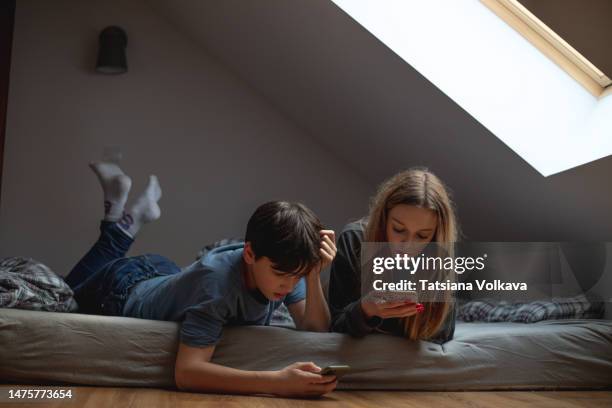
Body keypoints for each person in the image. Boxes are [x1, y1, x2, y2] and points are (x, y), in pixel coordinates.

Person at [64, 160, 338, 397]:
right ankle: (122, 222)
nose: (289, 286)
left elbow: (315, 329)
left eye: (297, 276)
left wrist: (313, 273)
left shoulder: (287, 265)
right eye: (282, 275)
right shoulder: (217, 287)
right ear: (250, 253)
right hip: (121, 288)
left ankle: (125, 218)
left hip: (167, 274)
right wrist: (278, 382)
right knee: (67, 292)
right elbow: (187, 373)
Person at [328, 167, 459, 343]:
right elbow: (334, 328)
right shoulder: (355, 240)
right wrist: (365, 309)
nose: (407, 245)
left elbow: (443, 333)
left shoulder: (438, 255)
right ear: (383, 219)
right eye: (398, 229)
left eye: (422, 236)